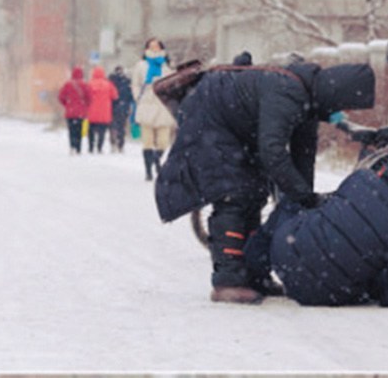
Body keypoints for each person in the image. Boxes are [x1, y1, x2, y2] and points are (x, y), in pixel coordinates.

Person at [155, 60, 375, 304]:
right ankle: (227, 281)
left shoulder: (309, 99)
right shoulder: (287, 92)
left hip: (235, 127)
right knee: (234, 193)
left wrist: (304, 199)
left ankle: (253, 275)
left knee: (255, 193)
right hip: (211, 119)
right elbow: (273, 151)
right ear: (337, 93)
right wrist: (301, 196)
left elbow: (303, 156)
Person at [244, 148, 388, 307]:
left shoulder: (360, 180)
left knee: (290, 205)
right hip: (327, 294)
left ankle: (253, 270)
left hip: (285, 255)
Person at [131, 38, 176, 181]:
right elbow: (135, 84)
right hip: (147, 104)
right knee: (147, 141)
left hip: (163, 106)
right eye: (151, 46)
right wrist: (139, 97)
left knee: (163, 141)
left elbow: (174, 82)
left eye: (156, 46)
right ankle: (148, 170)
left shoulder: (167, 66)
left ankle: (157, 159)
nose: (154, 48)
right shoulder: (141, 65)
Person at [58, 67, 91, 154]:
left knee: (71, 130)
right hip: (80, 113)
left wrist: (67, 104)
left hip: (70, 112)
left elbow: (61, 97)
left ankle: (72, 146)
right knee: (79, 130)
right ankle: (78, 148)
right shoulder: (84, 85)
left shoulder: (68, 85)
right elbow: (89, 98)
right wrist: (85, 106)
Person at [86, 66, 118, 154]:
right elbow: (115, 96)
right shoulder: (108, 84)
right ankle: (99, 147)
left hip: (92, 112)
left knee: (91, 130)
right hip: (104, 112)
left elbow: (86, 97)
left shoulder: (90, 84)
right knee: (102, 131)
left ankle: (91, 147)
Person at [108, 65, 134, 153]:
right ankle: (121, 144)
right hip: (124, 107)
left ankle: (113, 142)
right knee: (122, 126)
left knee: (112, 126)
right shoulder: (127, 81)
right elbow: (131, 95)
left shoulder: (110, 81)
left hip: (112, 106)